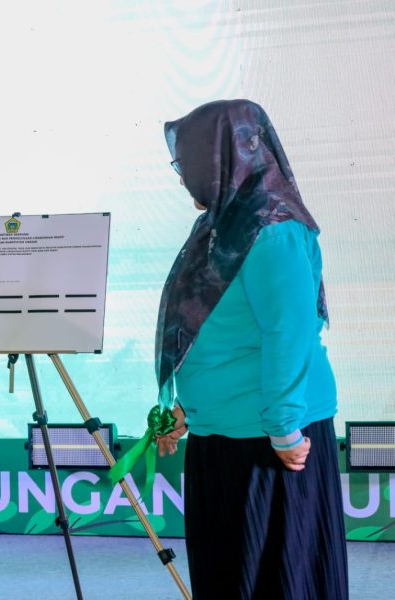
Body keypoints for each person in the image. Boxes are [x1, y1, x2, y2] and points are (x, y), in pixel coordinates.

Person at [154, 100, 348, 598]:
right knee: (229, 580)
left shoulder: (273, 228)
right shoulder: (222, 224)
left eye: (187, 161)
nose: (183, 175)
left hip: (272, 441)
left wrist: (284, 427)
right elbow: (210, 326)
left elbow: (290, 332)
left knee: (278, 582)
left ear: (221, 155)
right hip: (222, 435)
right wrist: (186, 407)